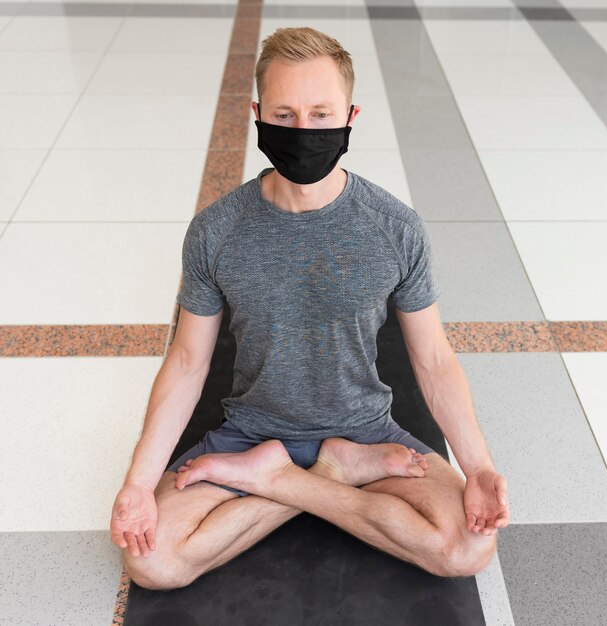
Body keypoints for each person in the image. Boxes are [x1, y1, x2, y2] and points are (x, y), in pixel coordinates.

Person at [110, 26, 509, 591]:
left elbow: (435, 361)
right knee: (152, 562)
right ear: (257, 114)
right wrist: (136, 482)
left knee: (468, 547)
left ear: (350, 115)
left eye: (322, 115)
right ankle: (325, 473)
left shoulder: (394, 227)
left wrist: (480, 467)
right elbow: (187, 363)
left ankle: (301, 474)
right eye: (285, 114)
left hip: (365, 431)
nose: (304, 131)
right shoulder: (216, 232)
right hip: (249, 433)